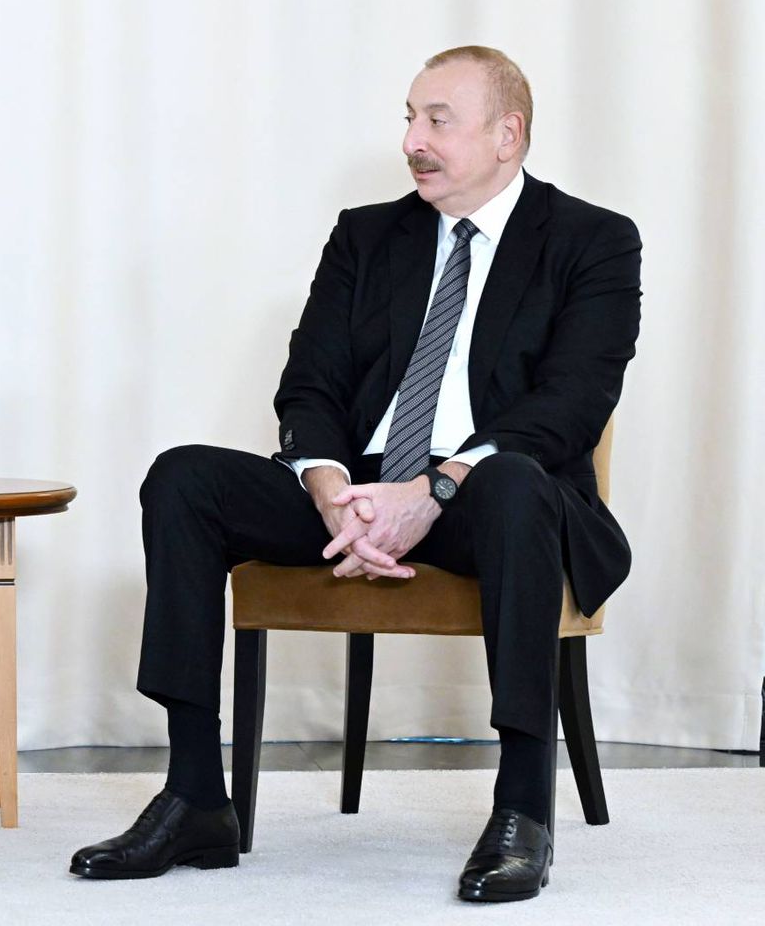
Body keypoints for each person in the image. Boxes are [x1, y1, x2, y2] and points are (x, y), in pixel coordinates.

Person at [69, 46, 640, 902]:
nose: (412, 141)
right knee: (183, 478)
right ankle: (194, 798)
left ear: (507, 134)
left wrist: (434, 489)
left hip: (492, 496)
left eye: (437, 120)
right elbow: (310, 383)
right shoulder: (367, 235)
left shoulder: (592, 240)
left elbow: (573, 403)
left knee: (517, 483)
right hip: (360, 492)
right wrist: (333, 491)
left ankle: (523, 809)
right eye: (409, 119)